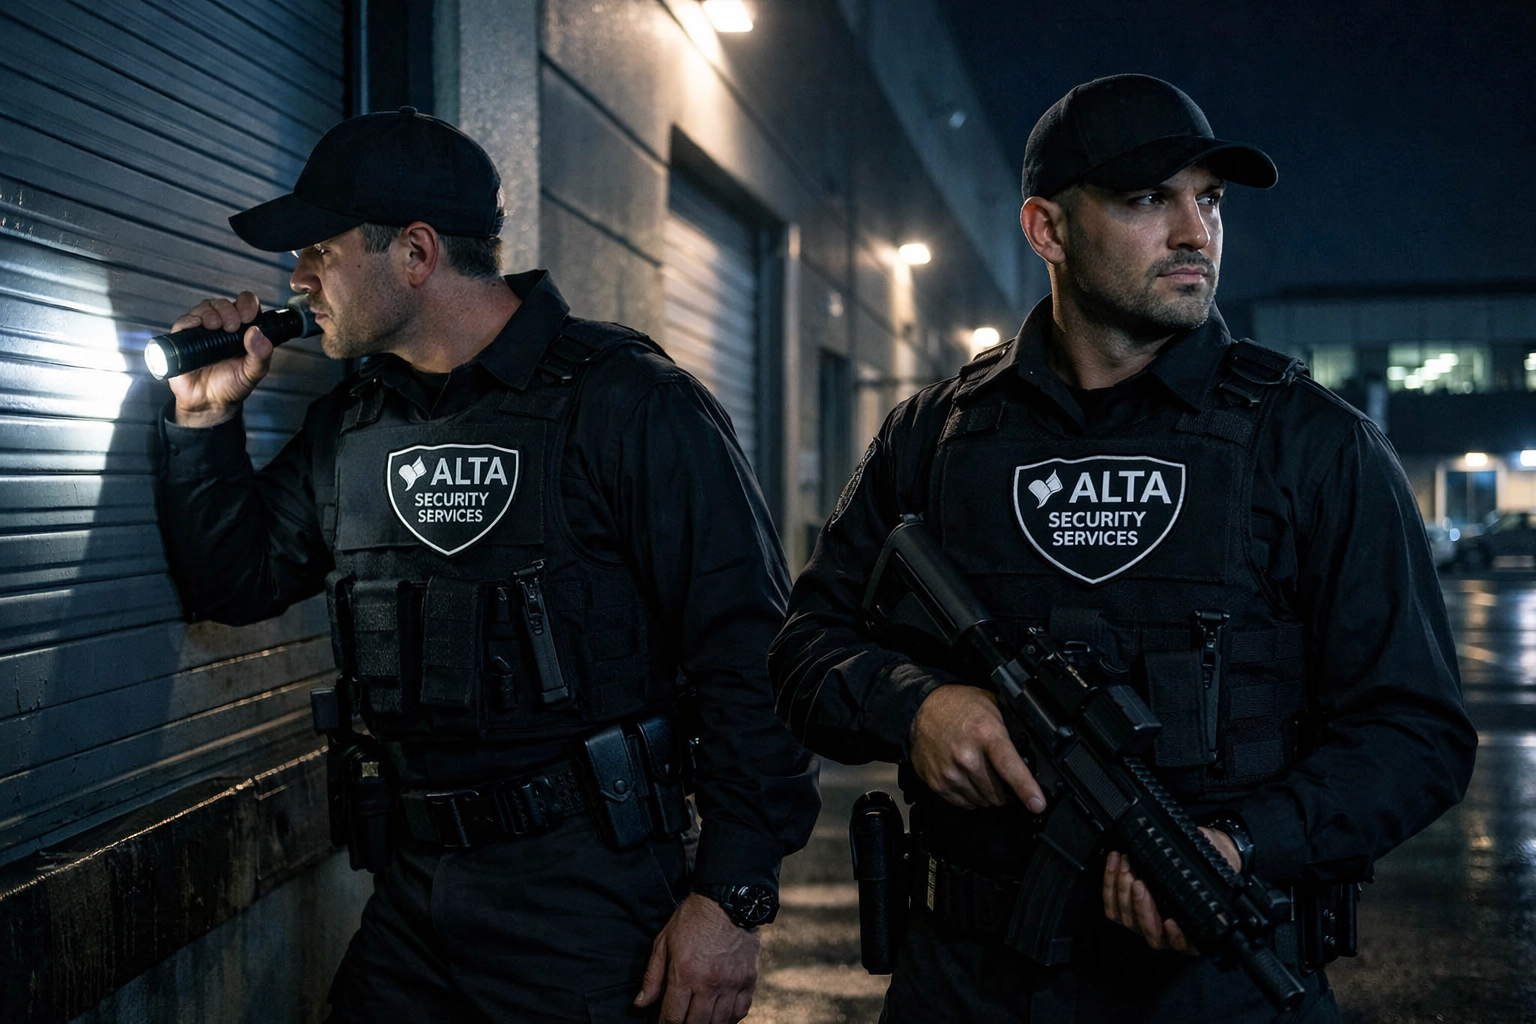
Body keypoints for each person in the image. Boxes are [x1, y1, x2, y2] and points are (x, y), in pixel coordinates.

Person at [769, 74, 1475, 1022]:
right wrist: (918, 707)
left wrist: (1243, 845)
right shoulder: (934, 435)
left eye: (1209, 200)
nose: (1196, 233)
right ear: (1047, 231)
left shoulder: (1313, 445)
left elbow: (1419, 734)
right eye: (1150, 199)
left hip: (1215, 989)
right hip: (970, 984)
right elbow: (804, 647)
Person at [156, 107, 819, 1024]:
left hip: (592, 899)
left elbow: (754, 656)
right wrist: (204, 418)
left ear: (416, 253)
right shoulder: (353, 426)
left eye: (320, 251)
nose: (297, 278)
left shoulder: (628, 404)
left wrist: (734, 899)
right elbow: (237, 581)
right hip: (414, 896)